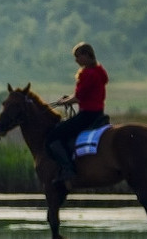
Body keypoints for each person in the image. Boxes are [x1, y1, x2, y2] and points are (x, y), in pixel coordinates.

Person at [46, 42, 110, 185]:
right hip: (98, 113)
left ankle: (68, 169)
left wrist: (64, 102)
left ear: (87, 55)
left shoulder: (87, 73)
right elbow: (83, 94)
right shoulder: (99, 71)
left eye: (78, 56)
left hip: (87, 114)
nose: (76, 60)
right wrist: (68, 99)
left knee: (53, 136)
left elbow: (78, 97)